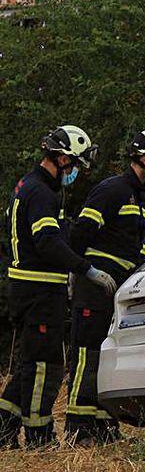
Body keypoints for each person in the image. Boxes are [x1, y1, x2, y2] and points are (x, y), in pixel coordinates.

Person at [0, 126, 114, 448]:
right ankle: (39, 437)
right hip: (38, 292)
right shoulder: (41, 193)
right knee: (43, 369)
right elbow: (47, 241)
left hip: (31, 289)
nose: (76, 172)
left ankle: (4, 427)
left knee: (29, 366)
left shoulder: (31, 185)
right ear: (62, 158)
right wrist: (84, 268)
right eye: (75, 165)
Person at [65, 129, 145, 444]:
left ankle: (102, 425)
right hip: (94, 286)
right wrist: (81, 272)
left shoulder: (140, 199)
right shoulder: (112, 190)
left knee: (103, 357)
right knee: (86, 356)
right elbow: (80, 234)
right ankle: (78, 427)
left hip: (115, 289)